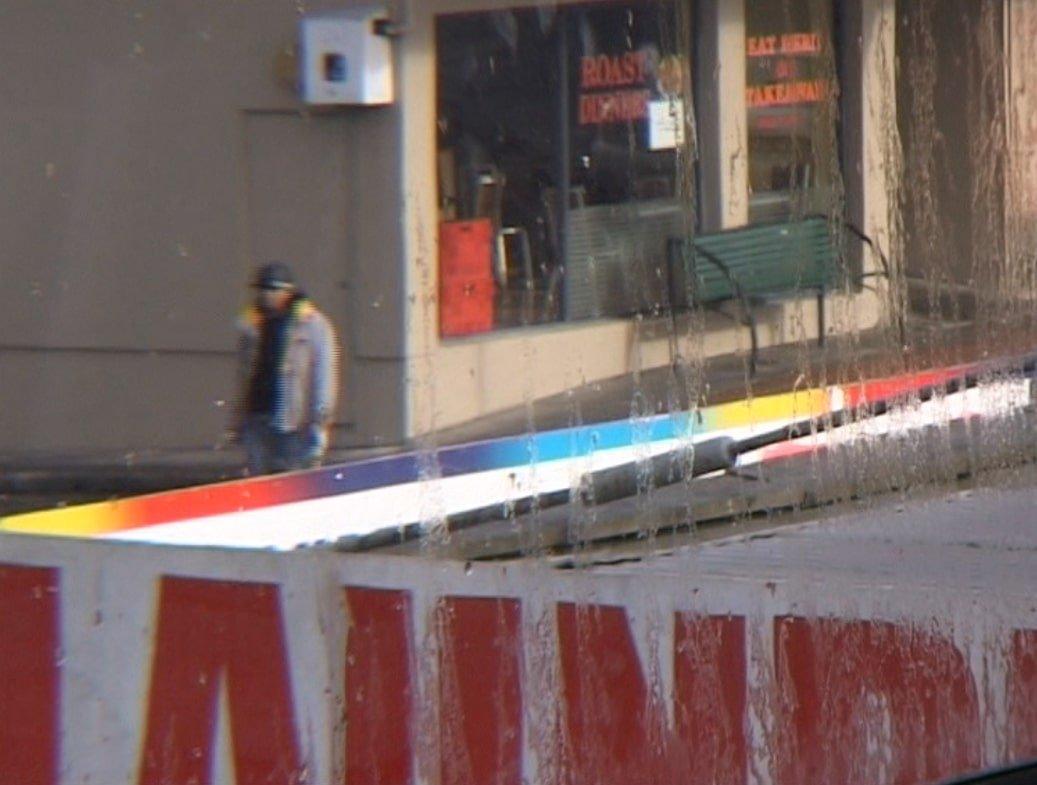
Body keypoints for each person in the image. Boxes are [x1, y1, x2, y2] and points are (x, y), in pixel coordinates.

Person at [231, 262, 340, 475]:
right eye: (262, 289)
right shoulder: (253, 323)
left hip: (293, 422)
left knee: (292, 478)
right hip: (257, 415)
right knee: (258, 480)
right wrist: (237, 419)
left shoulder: (312, 325)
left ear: (287, 291)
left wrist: (320, 421)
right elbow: (243, 376)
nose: (265, 295)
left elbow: (323, 376)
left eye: (272, 289)